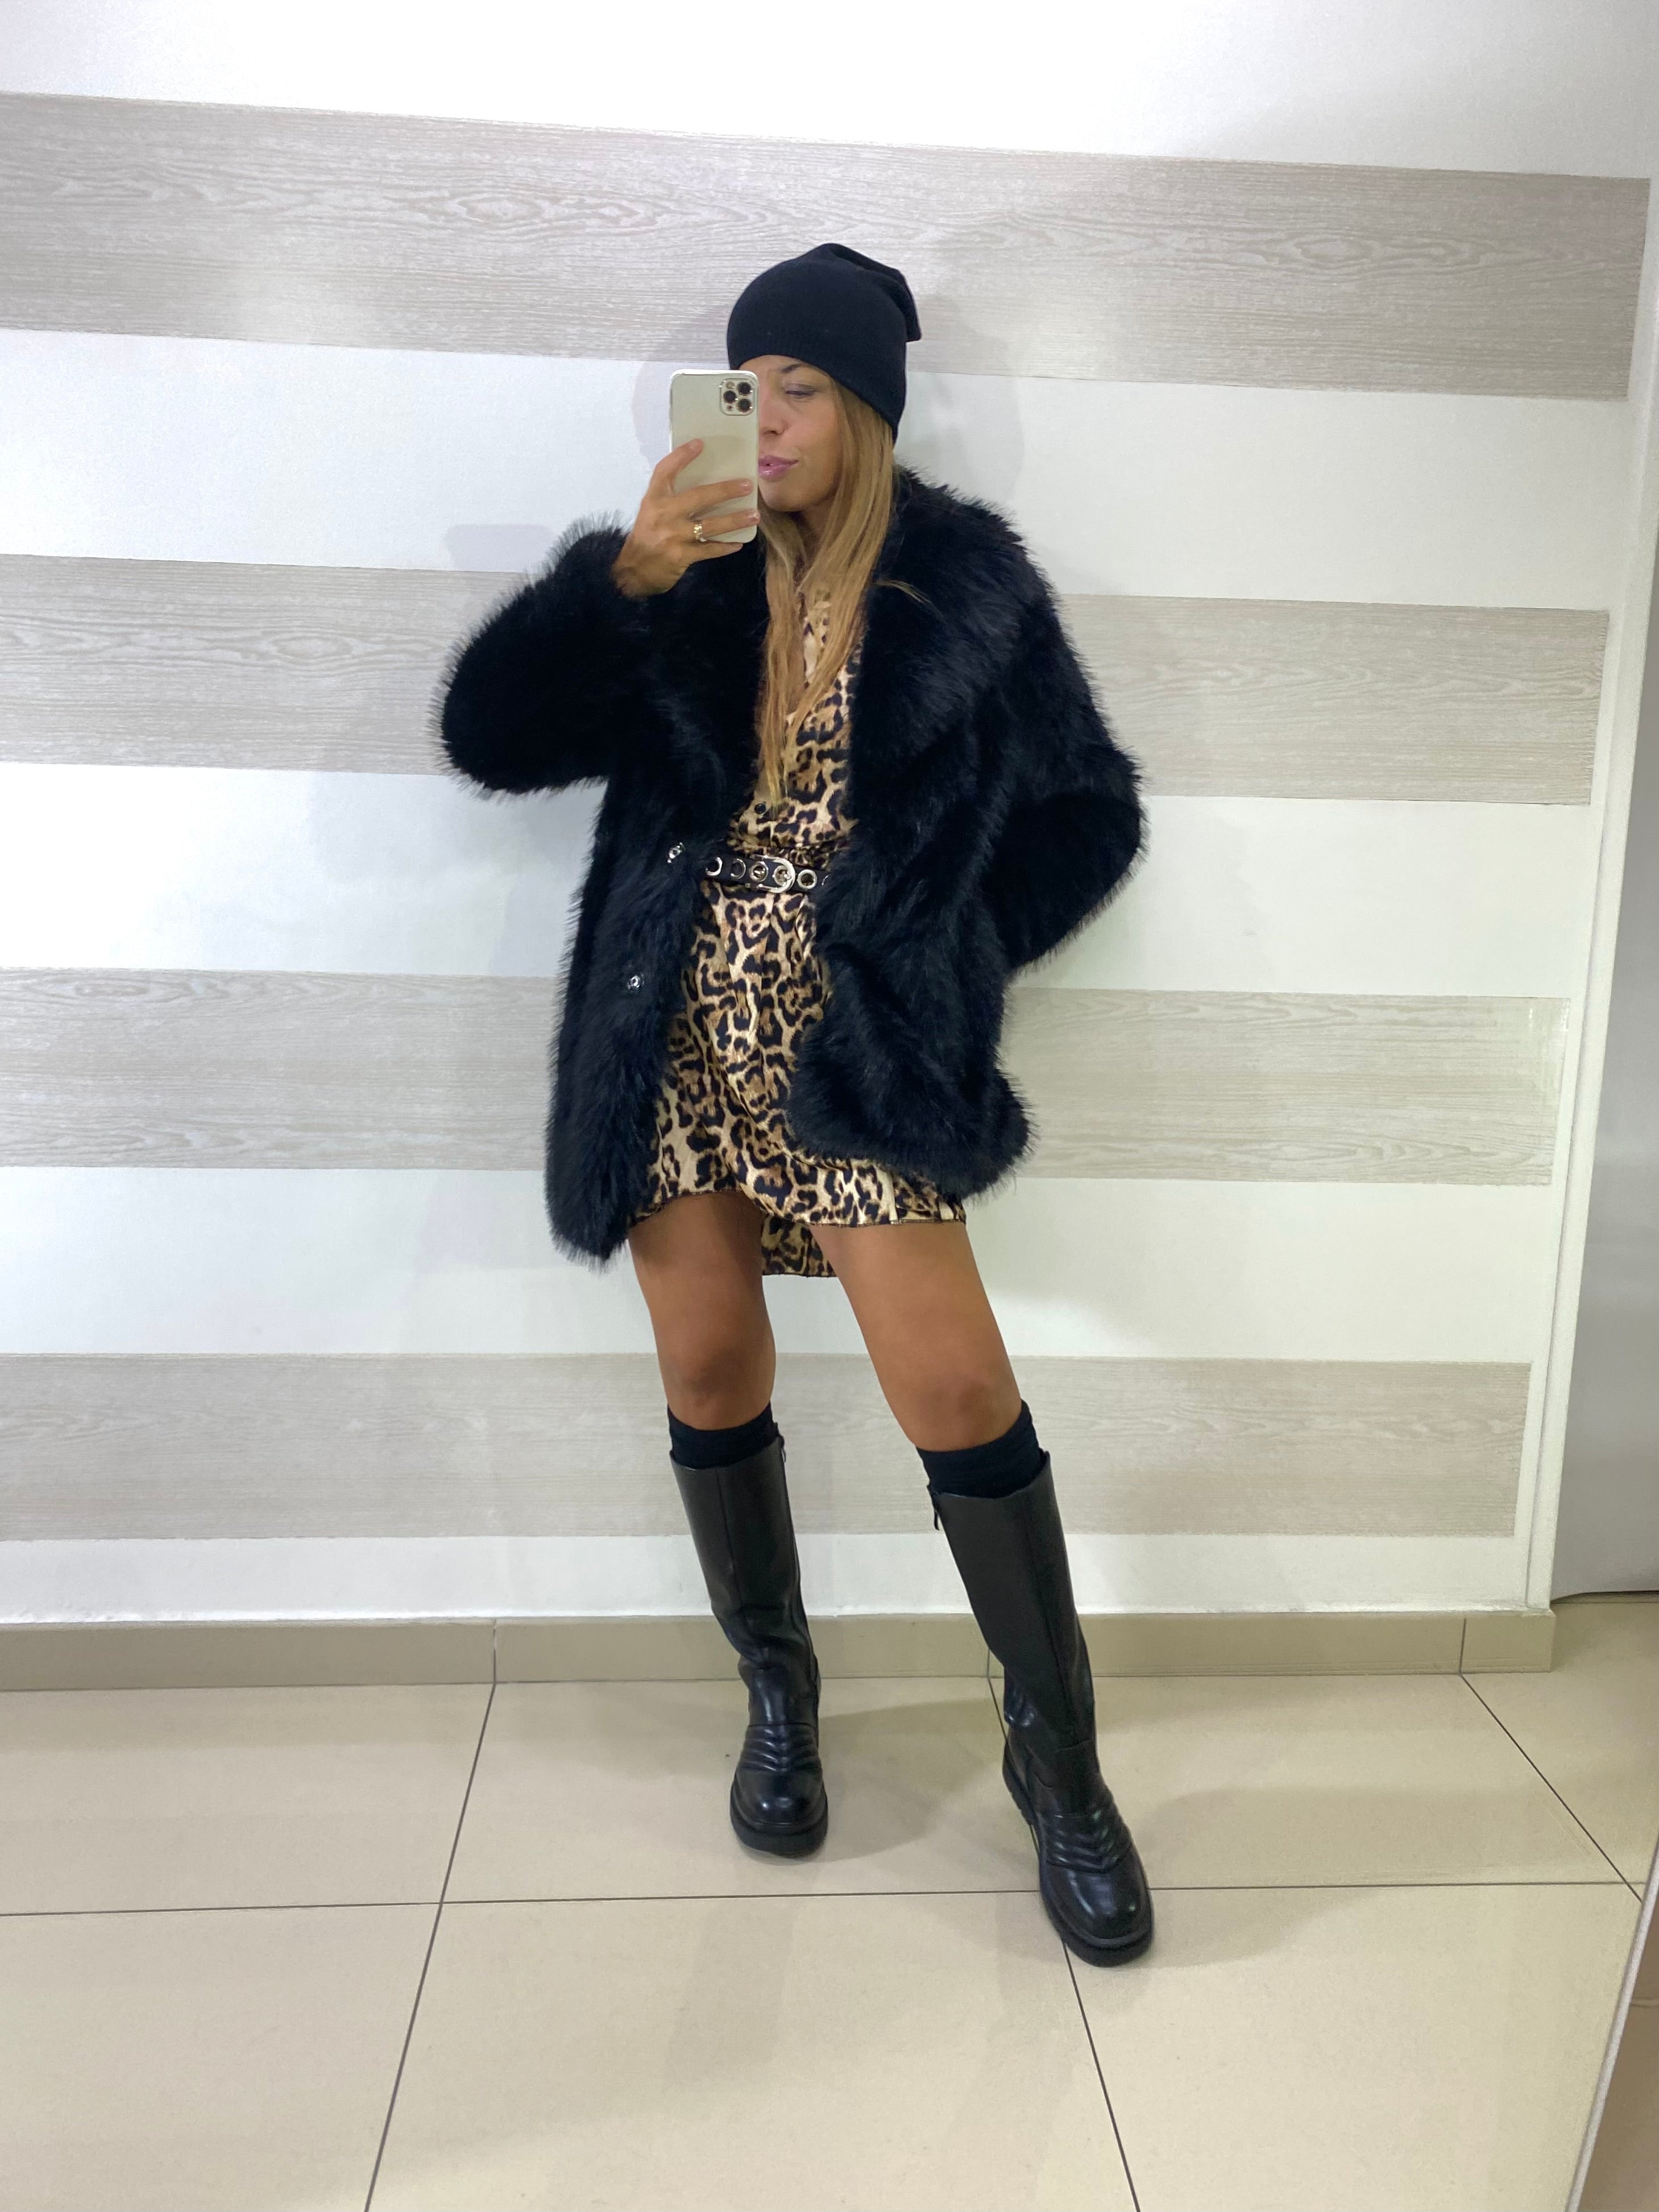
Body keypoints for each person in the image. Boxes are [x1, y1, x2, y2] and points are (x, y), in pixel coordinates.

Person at [438, 243, 1152, 1965]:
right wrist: (615, 583)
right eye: (744, 385)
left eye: (802, 388)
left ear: (868, 412)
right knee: (708, 1368)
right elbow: (490, 737)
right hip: (673, 1032)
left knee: (955, 1385)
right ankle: (780, 1692)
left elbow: (1090, 814)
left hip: (857, 1052)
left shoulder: (966, 592)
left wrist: (939, 951)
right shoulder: (679, 581)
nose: (764, 416)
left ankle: (1060, 1763)